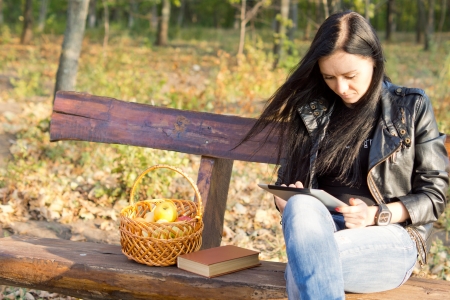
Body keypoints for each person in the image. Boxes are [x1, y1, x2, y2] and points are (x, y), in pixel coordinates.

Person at [240, 11, 449, 299]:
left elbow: (434, 196)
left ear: (373, 60)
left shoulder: (410, 107)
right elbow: (290, 188)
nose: (341, 87)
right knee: (302, 211)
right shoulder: (311, 112)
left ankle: (308, 260)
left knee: (305, 262)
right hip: (321, 230)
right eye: (330, 77)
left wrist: (377, 215)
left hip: (389, 237)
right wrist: (284, 201)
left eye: (350, 76)